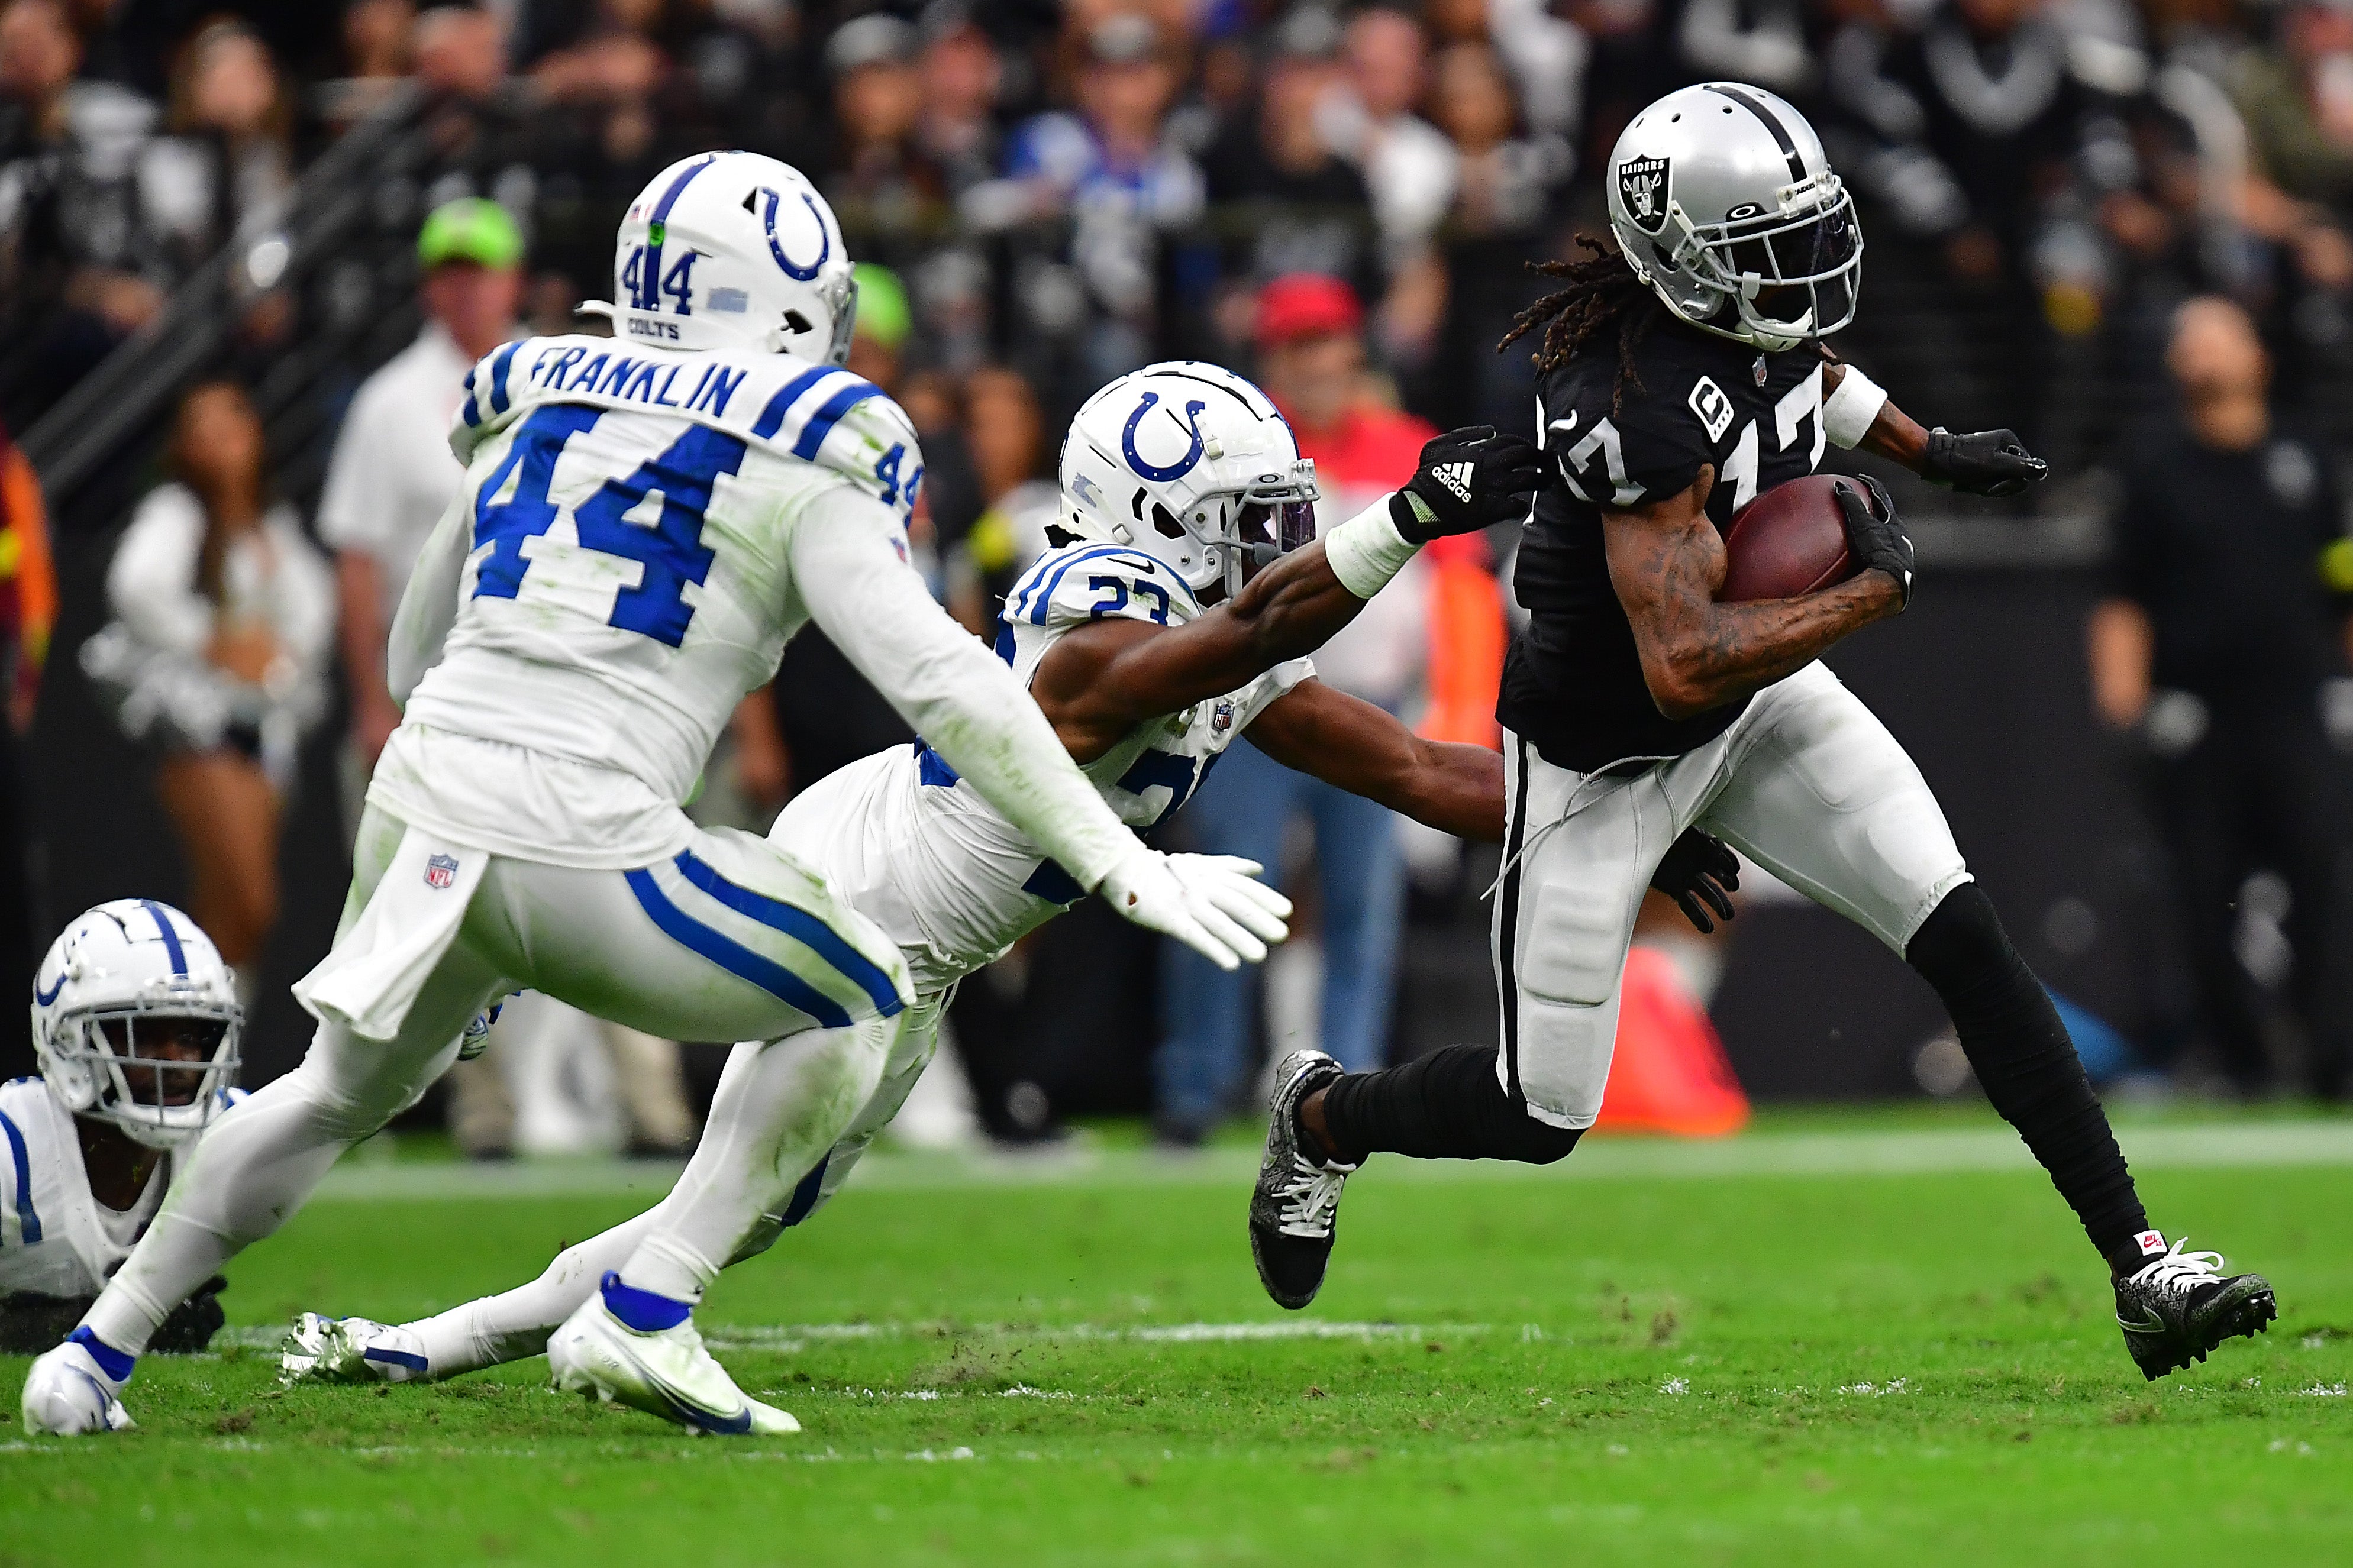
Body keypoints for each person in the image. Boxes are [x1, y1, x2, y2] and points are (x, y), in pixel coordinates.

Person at [21, 151, 1283, 1438]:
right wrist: (1121, 861)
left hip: (424, 800)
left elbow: (408, 659)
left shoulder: (539, 388)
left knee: (329, 1092)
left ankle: (90, 1355)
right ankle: (648, 1306)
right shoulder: (812, 437)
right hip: (582, 831)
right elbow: (939, 680)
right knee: (859, 984)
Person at [274, 363, 1716, 1393]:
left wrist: (1622, 816)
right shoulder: (1093, 623)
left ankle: (433, 1339)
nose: (1272, 539)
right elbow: (1220, 647)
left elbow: (1415, 767)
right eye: (1244, 512)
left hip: (924, 941)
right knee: (731, 1190)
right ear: (1151, 516)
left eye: (1283, 512)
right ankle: (572, 1226)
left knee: (756, 1202)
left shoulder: (1222, 630)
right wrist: (1395, 521)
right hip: (861, 885)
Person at [1245, 82, 2279, 1386]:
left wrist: (1927, 447)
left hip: (1757, 698)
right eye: (1767, 244)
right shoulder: (1631, 402)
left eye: (1805, 232)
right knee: (1538, 1109)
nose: (1803, 266)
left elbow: (1808, 376)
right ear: (1681, 257)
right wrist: (1863, 594)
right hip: (1606, 756)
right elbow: (1677, 665)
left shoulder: (1746, 315)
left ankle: (2140, 1264)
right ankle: (1321, 1114)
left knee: (1963, 935)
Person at [1153, 274, 1464, 1144]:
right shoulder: (1242, 456)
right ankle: (1193, 1089)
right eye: (1301, 345)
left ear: (1352, 351)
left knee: (1363, 907)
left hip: (1370, 700)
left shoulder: (1405, 444)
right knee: (1226, 891)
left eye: (1328, 342)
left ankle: (1347, 1094)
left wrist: (1456, 701)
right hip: (1256, 705)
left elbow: (1457, 588)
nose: (1319, 361)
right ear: (1274, 358)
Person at [2089, 297, 2353, 1097]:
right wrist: (2125, 704)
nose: (2201, 355)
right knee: (2202, 893)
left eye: (2217, 340)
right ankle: (2240, 1061)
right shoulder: (2151, 467)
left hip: (2296, 705)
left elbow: (2340, 578)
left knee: (2321, 882)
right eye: (2188, 343)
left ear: (2256, 357)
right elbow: (2122, 595)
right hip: (2196, 714)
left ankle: (2331, 1060)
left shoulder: (2304, 458)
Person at [81, 381, 334, 988]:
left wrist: (279, 657)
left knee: (236, 915)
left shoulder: (271, 525)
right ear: (184, 447)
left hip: (265, 732)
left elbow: (312, 611)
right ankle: (191, 1027)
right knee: (249, 898)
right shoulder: (175, 512)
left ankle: (209, 1031)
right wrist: (212, 642)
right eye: (203, 431)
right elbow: (136, 586)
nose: (220, 443)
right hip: (197, 730)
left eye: (232, 425)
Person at [5, 900, 243, 1372]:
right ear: (69, 1040)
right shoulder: (15, 1147)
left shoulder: (233, 1132)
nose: (174, 1060)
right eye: (144, 1035)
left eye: (191, 1037)